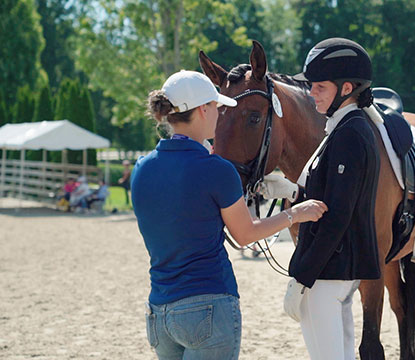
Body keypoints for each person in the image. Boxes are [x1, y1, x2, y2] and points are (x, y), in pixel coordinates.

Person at [132, 70, 327, 360]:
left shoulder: (141, 168)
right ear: (203, 110)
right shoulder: (217, 170)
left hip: (159, 311)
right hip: (208, 304)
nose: (220, 116)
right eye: (217, 108)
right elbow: (245, 234)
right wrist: (295, 214)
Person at [260, 38, 381, 360]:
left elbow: (338, 213)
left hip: (329, 270)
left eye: (320, 86)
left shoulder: (350, 134)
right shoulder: (342, 128)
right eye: (311, 85)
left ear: (346, 88)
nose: (311, 92)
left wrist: (303, 274)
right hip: (335, 268)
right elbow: (328, 193)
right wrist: (289, 191)